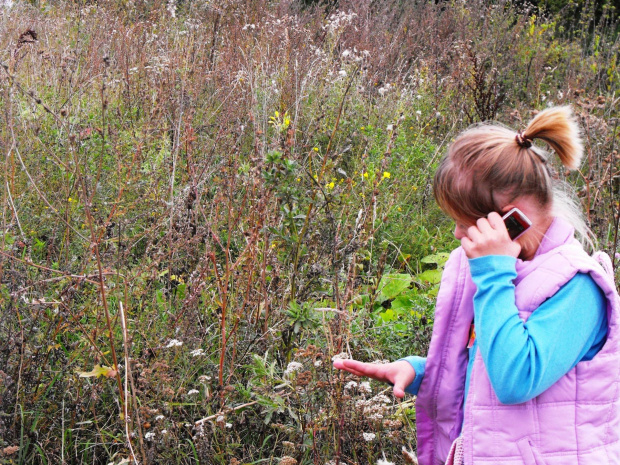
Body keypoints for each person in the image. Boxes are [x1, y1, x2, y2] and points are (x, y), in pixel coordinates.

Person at [333, 106, 620, 464]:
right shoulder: (500, 272)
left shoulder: (578, 287)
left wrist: (495, 273)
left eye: (464, 221)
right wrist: (420, 371)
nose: (456, 233)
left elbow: (515, 379)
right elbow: (482, 364)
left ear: (512, 219)